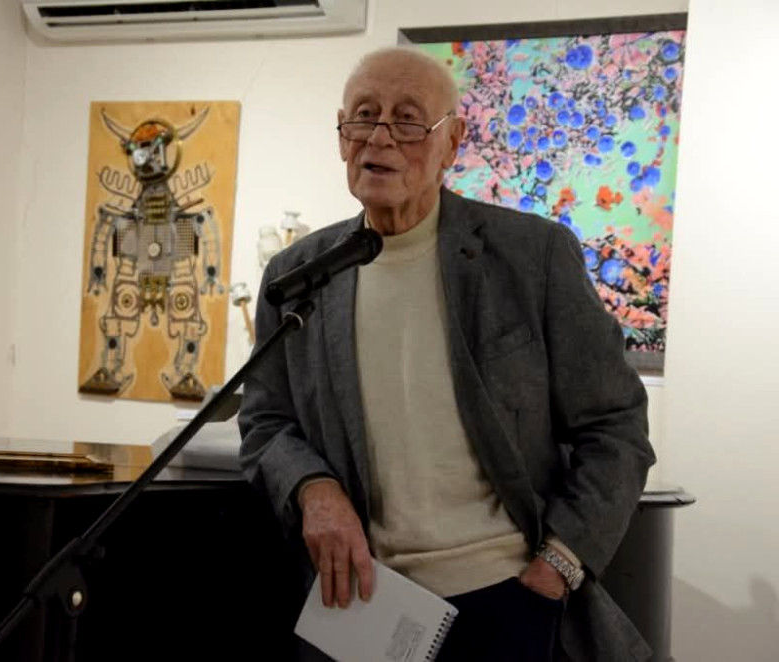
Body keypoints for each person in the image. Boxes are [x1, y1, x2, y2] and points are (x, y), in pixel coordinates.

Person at [238, 47, 656, 662]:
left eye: (408, 120)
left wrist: (557, 566)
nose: (380, 137)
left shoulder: (532, 256)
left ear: (452, 143)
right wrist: (313, 487)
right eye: (363, 116)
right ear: (342, 134)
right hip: (365, 605)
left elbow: (616, 426)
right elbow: (266, 419)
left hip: (512, 597)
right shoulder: (297, 275)